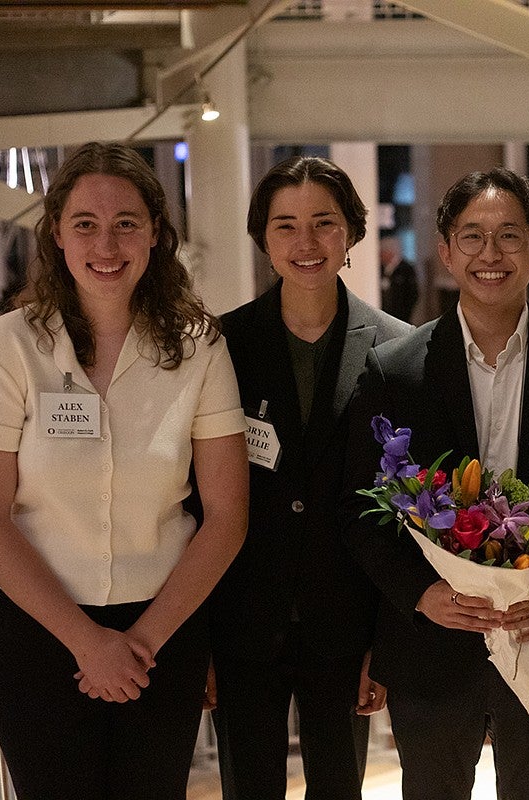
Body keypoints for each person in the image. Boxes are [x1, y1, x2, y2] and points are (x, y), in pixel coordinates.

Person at [0, 141, 249, 800]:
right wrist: (89, 644)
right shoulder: (10, 346)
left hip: (161, 637)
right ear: (57, 234)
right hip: (38, 639)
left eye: (126, 224)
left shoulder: (200, 347)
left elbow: (226, 518)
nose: (106, 243)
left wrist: (137, 643)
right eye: (85, 223)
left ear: (154, 235)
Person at [342, 168, 529, 800]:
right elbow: (361, 510)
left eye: (509, 236)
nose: (490, 255)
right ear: (445, 251)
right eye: (472, 236)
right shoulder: (395, 370)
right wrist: (421, 593)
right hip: (432, 648)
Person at [209, 155, 407, 800]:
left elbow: (403, 510)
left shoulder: (397, 350)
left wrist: (388, 635)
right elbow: (193, 497)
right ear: (263, 239)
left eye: (323, 223)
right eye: (286, 225)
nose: (306, 243)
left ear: (351, 232)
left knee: (341, 787)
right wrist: (198, 637)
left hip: (346, 620)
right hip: (242, 616)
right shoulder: (219, 345)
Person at [380, 234, 419, 323]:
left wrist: (406, 312)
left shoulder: (406, 269)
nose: (380, 256)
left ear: (390, 252)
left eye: (382, 252)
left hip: (402, 316)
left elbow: (413, 293)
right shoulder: (380, 268)